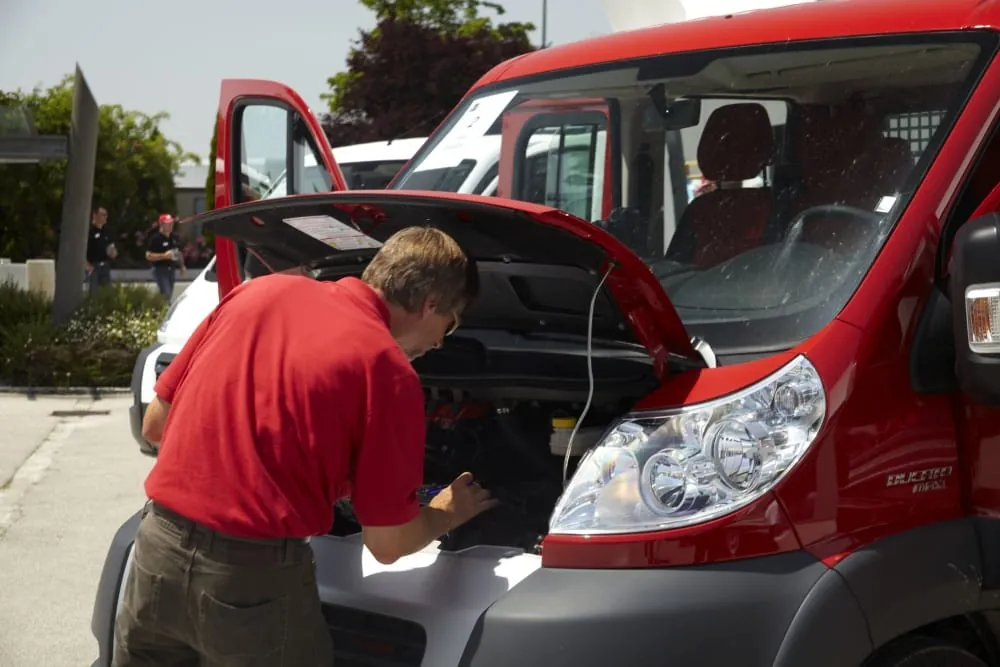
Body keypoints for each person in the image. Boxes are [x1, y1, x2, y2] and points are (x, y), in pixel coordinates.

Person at [113, 226, 495, 667]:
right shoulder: (386, 369)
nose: (440, 342)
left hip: (156, 553)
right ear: (430, 303)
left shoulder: (256, 293)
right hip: (250, 580)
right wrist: (447, 511)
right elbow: (388, 544)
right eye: (450, 324)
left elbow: (156, 425)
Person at [145, 213, 187, 299]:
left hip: (171, 269)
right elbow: (148, 255)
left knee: (169, 294)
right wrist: (164, 256)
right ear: (161, 225)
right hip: (160, 269)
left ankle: (161, 306)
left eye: (171, 223)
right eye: (168, 223)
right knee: (166, 293)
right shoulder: (156, 239)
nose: (171, 225)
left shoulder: (174, 237)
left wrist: (182, 266)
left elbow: (178, 252)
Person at [85, 205, 117, 292]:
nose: (105, 217)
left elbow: (112, 246)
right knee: (94, 291)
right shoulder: (89, 231)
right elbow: (82, 250)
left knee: (106, 291)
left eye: (106, 215)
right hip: (93, 266)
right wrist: (87, 265)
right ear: (95, 215)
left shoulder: (107, 232)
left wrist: (113, 252)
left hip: (105, 266)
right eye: (102, 215)